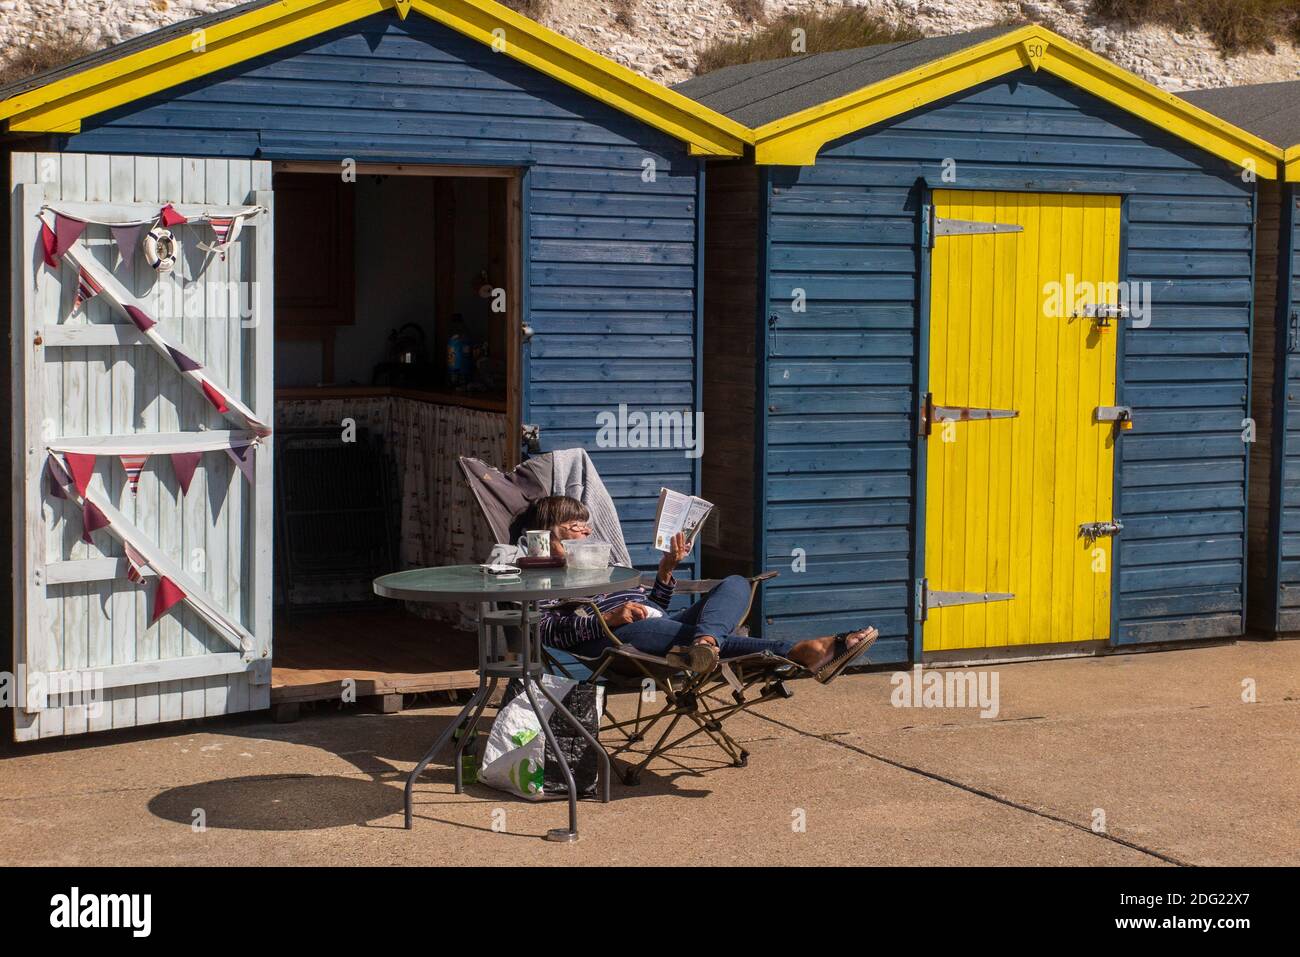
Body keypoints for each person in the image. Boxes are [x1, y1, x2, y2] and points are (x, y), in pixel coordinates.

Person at [529, 495, 876, 681]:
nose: (587, 533)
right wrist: (609, 618)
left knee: (736, 582)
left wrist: (667, 569)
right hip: (617, 644)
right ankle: (798, 650)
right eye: (576, 526)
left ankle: (706, 644)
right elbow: (546, 631)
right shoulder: (539, 575)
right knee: (667, 628)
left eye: (588, 526)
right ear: (549, 532)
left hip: (658, 627)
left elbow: (654, 606)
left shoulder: (598, 562)